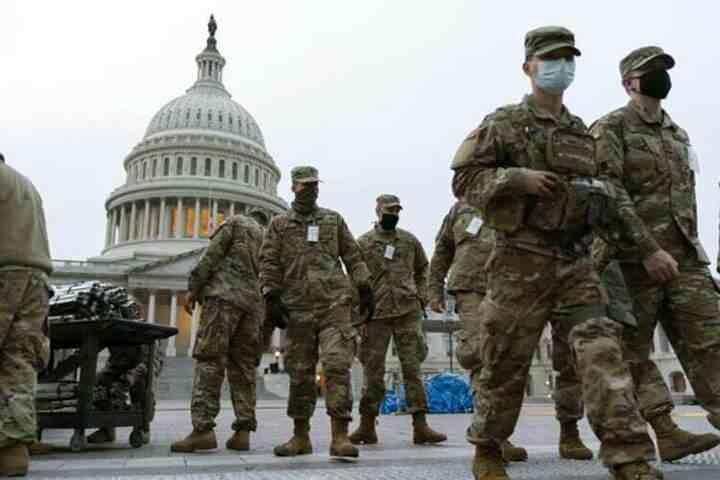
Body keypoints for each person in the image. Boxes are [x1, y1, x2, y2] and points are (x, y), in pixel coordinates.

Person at [450, 27, 660, 479]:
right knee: (504, 361)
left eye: (568, 59)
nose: (560, 67)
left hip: (574, 262)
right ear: (529, 67)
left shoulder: (580, 132)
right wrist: (515, 179)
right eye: (550, 59)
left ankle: (628, 457)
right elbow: (464, 181)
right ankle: (488, 447)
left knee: (603, 353)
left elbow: (609, 194)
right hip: (519, 262)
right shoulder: (503, 123)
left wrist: (645, 249)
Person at [591, 46, 720, 461]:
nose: (661, 76)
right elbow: (610, 193)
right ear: (629, 82)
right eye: (652, 70)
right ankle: (665, 430)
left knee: (710, 339)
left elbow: (686, 198)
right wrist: (647, 249)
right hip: (631, 260)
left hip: (684, 257)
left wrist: (694, 251)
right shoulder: (611, 127)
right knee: (633, 351)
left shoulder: (676, 134)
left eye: (664, 69)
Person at [429, 199, 594, 462]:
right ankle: (494, 437)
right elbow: (443, 248)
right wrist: (434, 288)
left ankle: (569, 430)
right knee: (482, 356)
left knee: (566, 356)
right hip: (472, 287)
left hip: (523, 283)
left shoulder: (526, 193)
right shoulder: (461, 208)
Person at [259, 166, 374, 460]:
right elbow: (269, 261)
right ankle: (300, 436)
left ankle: (340, 436)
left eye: (314, 185)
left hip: (335, 304)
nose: (311, 190)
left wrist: (364, 286)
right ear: (294, 188)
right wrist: (271, 296)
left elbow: (352, 255)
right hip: (297, 308)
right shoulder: (279, 225)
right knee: (300, 372)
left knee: (337, 365)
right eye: (305, 185)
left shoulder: (333, 220)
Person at [349, 194, 446, 446]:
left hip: (407, 311)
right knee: (373, 372)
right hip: (375, 315)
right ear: (378, 211)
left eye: (396, 211)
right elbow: (354, 279)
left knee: (413, 370)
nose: (393, 215)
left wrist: (422, 295)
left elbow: (423, 268)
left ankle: (420, 425)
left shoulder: (409, 241)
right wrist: (358, 316)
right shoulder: (363, 243)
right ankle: (367, 425)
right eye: (389, 210)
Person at [171, 213, 265, 453]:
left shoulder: (235, 223)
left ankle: (202, 430)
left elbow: (211, 255)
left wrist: (193, 288)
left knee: (209, 359)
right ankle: (243, 432)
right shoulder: (266, 235)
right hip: (253, 305)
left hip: (224, 297)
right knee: (243, 367)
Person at [0, 153, 53, 476]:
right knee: (18, 363)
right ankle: (13, 450)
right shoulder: (25, 183)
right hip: (36, 280)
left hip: (3, 273)